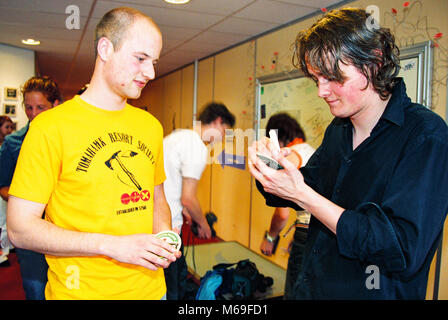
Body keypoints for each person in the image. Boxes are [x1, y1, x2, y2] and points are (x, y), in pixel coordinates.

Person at [248, 8, 448, 299]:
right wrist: (270, 168)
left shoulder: (426, 136)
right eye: (316, 79)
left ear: (374, 62)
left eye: (332, 77)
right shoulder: (339, 129)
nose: (321, 91)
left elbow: (400, 250)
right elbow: (306, 185)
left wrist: (305, 196)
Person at [7, 7, 180, 300]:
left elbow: (156, 197)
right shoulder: (50, 127)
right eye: (140, 58)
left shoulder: (150, 126)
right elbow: (20, 229)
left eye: (154, 62)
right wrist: (112, 245)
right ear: (105, 48)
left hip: (151, 291)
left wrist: (164, 233)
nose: (150, 73)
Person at [162, 102, 235, 300]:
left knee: (163, 286)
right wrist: (204, 225)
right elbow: (188, 198)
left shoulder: (176, 137)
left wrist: (187, 212)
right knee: (174, 289)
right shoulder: (197, 146)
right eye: (225, 132)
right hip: (169, 230)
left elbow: (169, 182)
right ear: (218, 122)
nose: (222, 139)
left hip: (155, 220)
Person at [0, 77, 61, 295]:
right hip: (31, 232)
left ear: (55, 105)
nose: (33, 114)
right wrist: (24, 200)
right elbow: (3, 185)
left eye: (40, 107)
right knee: (36, 289)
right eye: (28, 107)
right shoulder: (13, 143)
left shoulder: (67, 138)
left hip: (65, 229)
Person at [258, 113, 315, 298]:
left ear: (277, 138)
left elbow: (282, 215)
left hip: (307, 234)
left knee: (293, 293)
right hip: (320, 231)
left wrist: (270, 237)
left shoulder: (291, 157)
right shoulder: (312, 151)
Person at [0, 115, 13, 265]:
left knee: (5, 221)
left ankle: (5, 250)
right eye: (6, 127)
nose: (9, 130)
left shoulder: (9, 146)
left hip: (6, 189)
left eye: (11, 127)